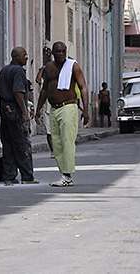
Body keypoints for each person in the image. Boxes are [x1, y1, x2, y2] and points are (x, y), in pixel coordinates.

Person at [35, 41, 89, 187]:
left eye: (63, 51)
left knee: (67, 141)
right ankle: (63, 174)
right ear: (53, 52)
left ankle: (67, 176)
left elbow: (83, 87)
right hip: (54, 108)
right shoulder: (49, 68)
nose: (60, 54)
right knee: (57, 143)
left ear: (66, 52)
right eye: (57, 51)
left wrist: (86, 110)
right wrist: (38, 109)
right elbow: (45, 89)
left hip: (68, 106)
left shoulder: (73, 66)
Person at [0, 47, 38, 185]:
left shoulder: (4, 70)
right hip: (14, 111)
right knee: (22, 144)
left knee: (7, 144)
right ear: (15, 57)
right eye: (24, 55)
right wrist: (25, 113)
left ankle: (9, 176)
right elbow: (18, 92)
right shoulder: (18, 71)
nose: (26, 57)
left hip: (4, 110)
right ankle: (27, 176)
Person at [36, 64, 55, 158]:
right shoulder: (44, 81)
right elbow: (37, 80)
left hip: (57, 107)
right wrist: (42, 68)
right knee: (49, 132)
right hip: (47, 109)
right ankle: (52, 151)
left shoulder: (55, 80)